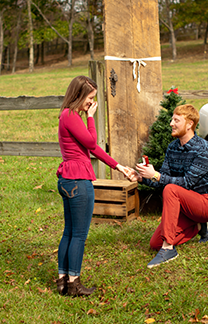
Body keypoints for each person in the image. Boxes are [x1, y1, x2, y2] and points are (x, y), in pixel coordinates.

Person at [55, 75, 131, 296]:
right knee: (78, 234)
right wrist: (91, 118)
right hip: (78, 180)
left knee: (69, 232)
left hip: (68, 179)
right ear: (78, 95)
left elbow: (91, 147)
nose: (91, 102)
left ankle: (63, 280)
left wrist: (119, 167)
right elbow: (92, 143)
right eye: (90, 98)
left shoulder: (67, 115)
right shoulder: (71, 116)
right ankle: (74, 284)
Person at [128, 104, 208, 268]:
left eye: (176, 120)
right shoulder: (173, 148)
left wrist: (156, 175)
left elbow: (187, 183)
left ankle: (169, 249)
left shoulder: (203, 148)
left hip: (207, 204)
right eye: (172, 119)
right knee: (154, 243)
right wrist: (142, 178)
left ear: (189, 124)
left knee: (171, 189)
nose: (171, 123)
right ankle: (198, 226)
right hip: (185, 205)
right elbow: (162, 181)